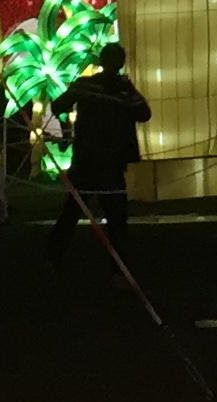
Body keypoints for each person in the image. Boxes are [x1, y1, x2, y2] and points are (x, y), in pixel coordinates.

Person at [50, 41, 150, 260]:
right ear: (121, 63)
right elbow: (144, 113)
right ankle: (119, 265)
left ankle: (52, 258)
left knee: (72, 210)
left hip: (86, 159)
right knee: (116, 217)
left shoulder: (86, 86)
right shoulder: (124, 92)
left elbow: (58, 105)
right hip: (111, 163)